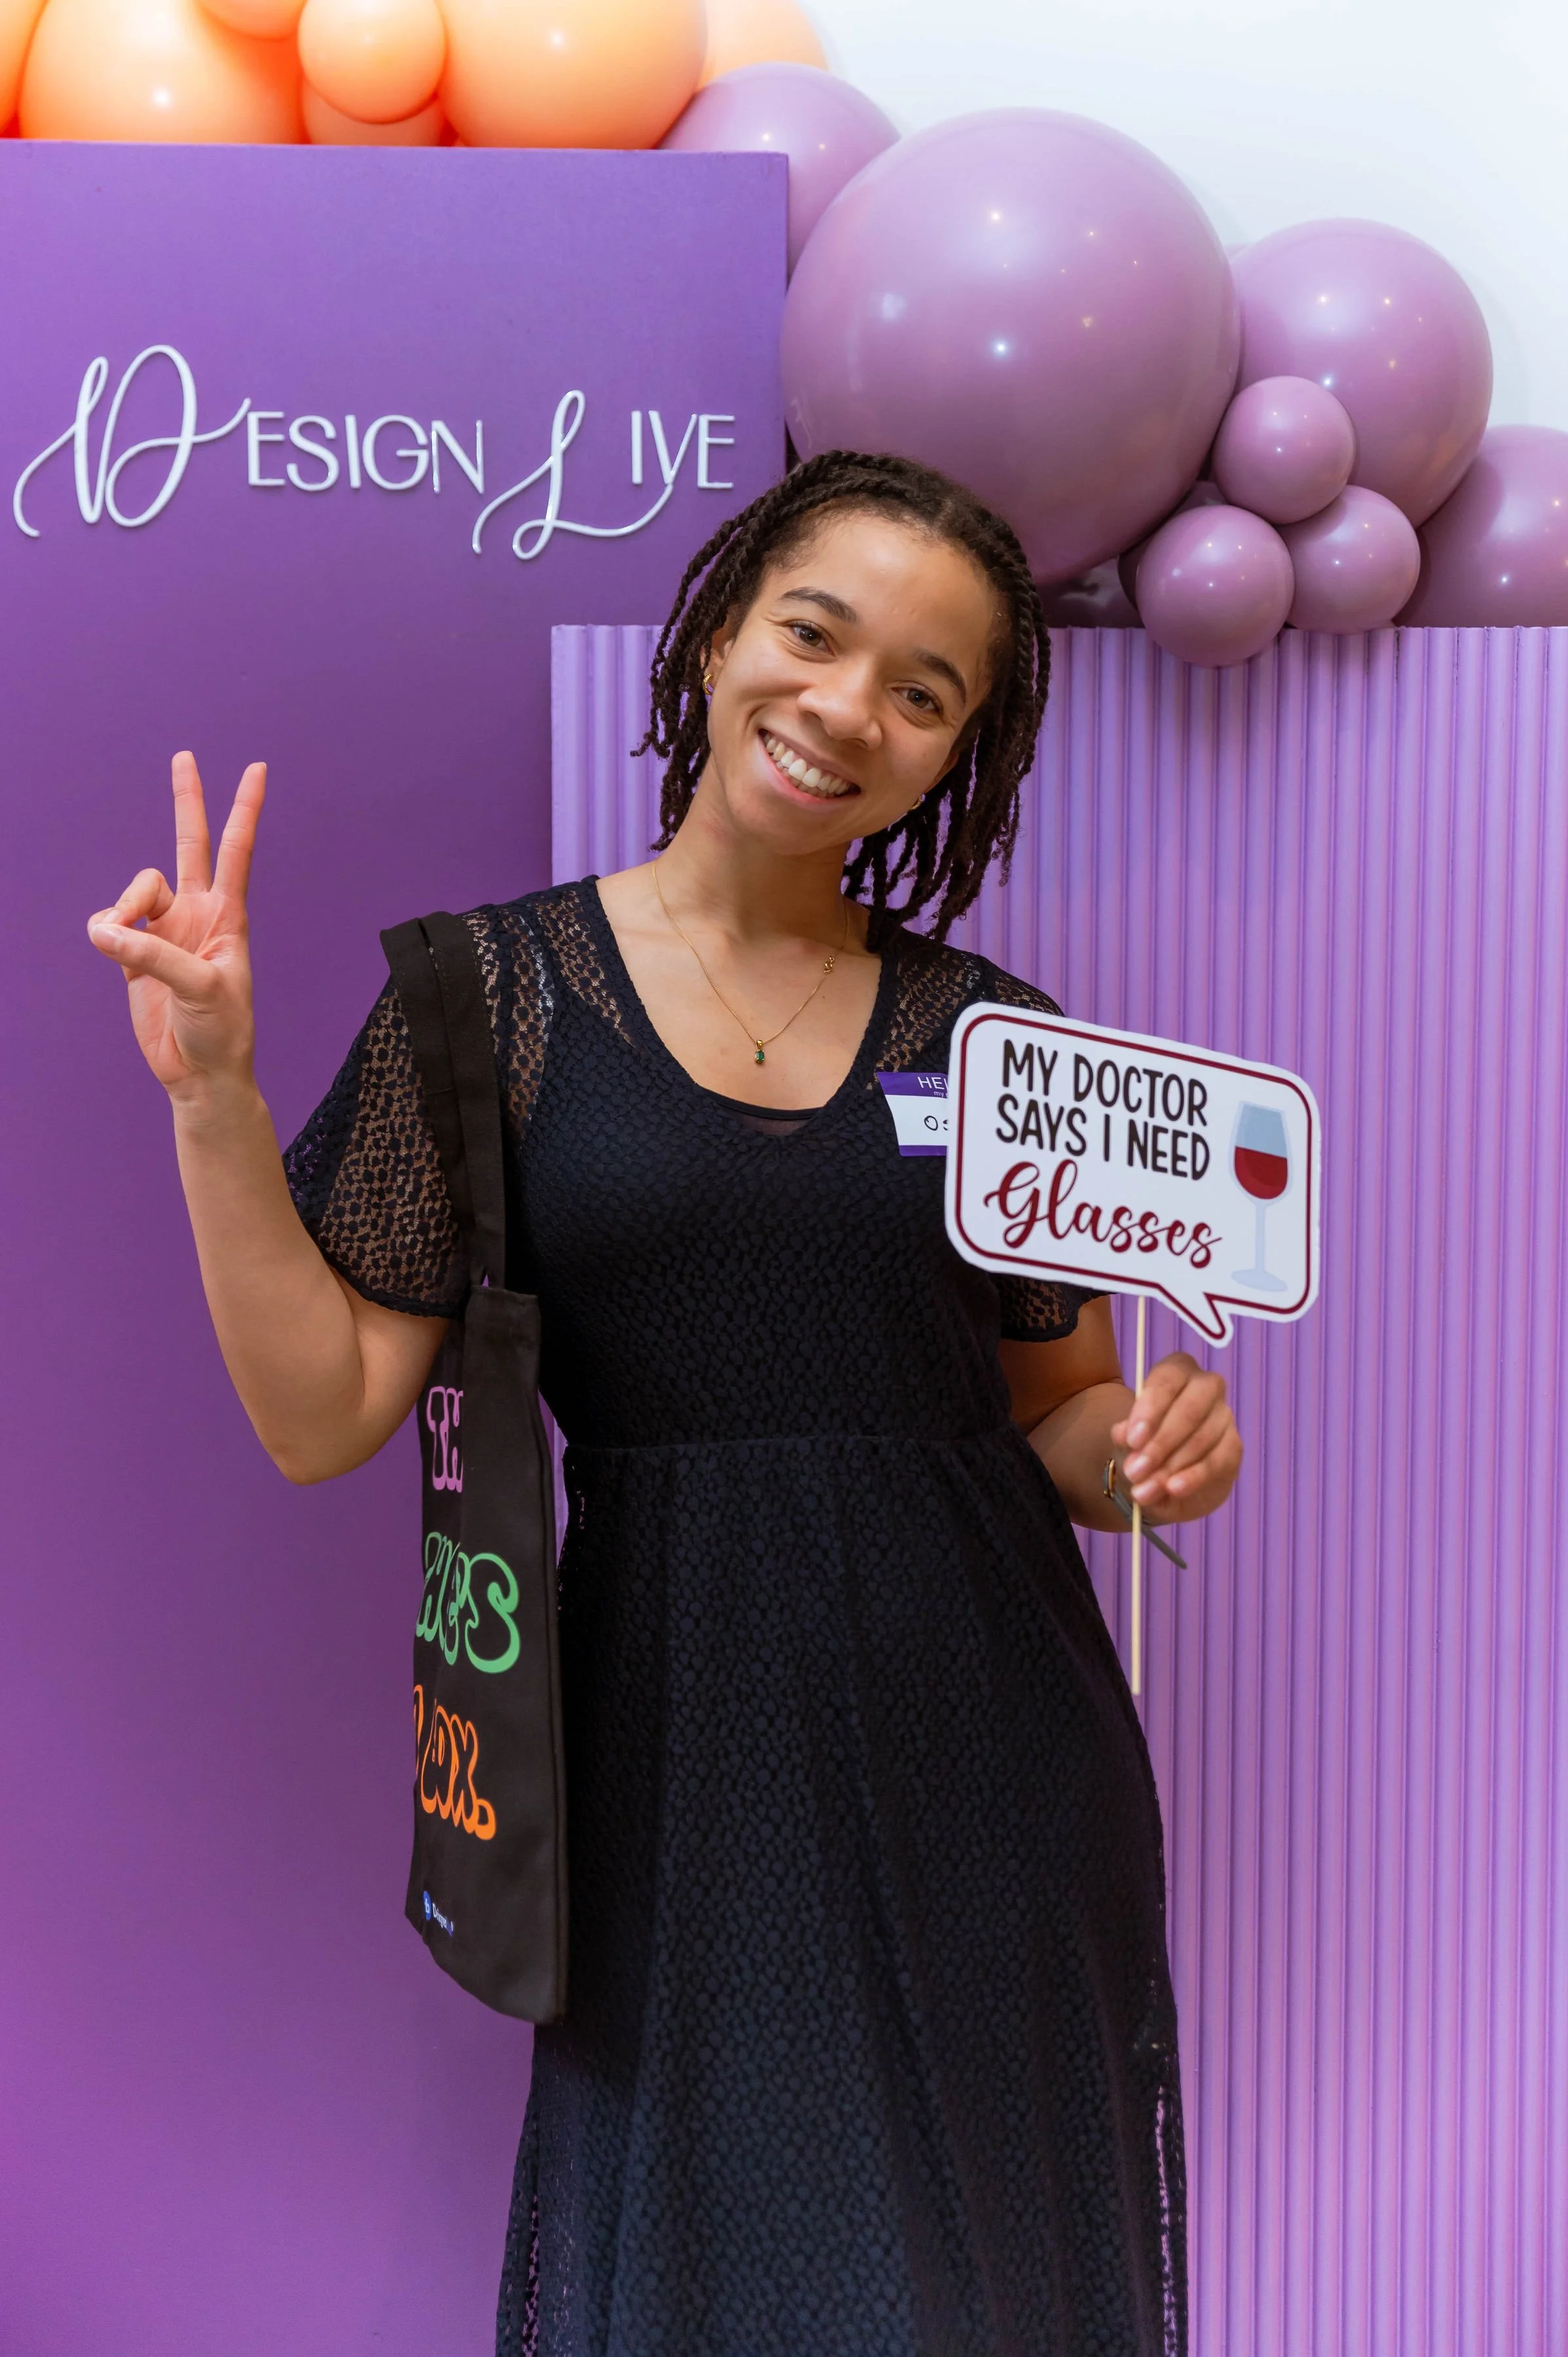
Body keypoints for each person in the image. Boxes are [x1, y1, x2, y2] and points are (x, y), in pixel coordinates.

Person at [88, 450, 1241, 2357]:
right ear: (717, 638)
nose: (849, 708)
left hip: (990, 1741)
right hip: (676, 1731)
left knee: (995, 2277)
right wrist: (214, 1091)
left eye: (924, 691)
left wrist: (1145, 1457)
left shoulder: (990, 1037)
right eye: (816, 632)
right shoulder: (486, 1002)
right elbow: (323, 1410)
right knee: (714, 2258)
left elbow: (1060, 1422)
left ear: (955, 753)